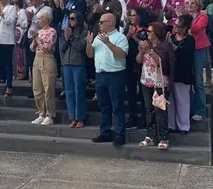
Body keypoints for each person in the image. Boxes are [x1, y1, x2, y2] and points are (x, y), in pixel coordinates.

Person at [87, 13, 129, 147]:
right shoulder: (99, 37)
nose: (99, 24)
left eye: (101, 22)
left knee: (117, 106)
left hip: (115, 75)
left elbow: (122, 55)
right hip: (100, 74)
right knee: (103, 106)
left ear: (110, 22)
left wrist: (108, 43)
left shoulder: (120, 37)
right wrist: (88, 43)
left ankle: (120, 134)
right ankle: (105, 132)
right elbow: (89, 54)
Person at [137, 22, 175, 150]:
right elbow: (138, 60)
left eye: (149, 31)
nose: (147, 34)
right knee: (149, 109)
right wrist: (142, 51)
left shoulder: (165, 46)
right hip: (146, 80)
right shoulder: (147, 44)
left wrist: (149, 50)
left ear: (157, 33)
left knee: (160, 109)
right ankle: (150, 135)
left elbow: (161, 62)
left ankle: (163, 137)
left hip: (159, 82)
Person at [168, 15, 195, 135]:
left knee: (182, 101)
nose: (175, 28)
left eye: (178, 26)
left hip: (183, 73)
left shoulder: (190, 39)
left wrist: (172, 47)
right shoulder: (172, 37)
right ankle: (171, 125)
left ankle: (184, 126)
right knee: (171, 101)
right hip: (171, 73)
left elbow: (185, 54)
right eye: (175, 25)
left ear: (185, 28)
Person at [60, 10, 87, 128]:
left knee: (78, 91)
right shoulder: (65, 31)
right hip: (66, 63)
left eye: (73, 19)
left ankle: (80, 117)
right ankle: (73, 117)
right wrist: (66, 38)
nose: (70, 21)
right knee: (69, 91)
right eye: (69, 19)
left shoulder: (84, 32)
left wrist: (71, 38)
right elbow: (61, 48)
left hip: (78, 64)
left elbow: (81, 46)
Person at [30, 10, 57, 125]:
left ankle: (49, 114)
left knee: (48, 88)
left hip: (47, 58)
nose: (39, 21)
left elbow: (47, 47)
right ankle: (41, 112)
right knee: (37, 88)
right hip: (37, 58)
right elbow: (31, 48)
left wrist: (37, 38)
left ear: (46, 19)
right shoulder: (39, 31)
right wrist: (34, 38)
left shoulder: (52, 31)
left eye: (40, 19)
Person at [185, 0, 210, 120]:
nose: (189, 5)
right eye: (187, 3)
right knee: (188, 79)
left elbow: (196, 28)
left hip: (198, 48)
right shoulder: (184, 16)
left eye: (192, 3)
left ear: (198, 5)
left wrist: (186, 22)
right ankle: (187, 109)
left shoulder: (202, 16)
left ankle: (200, 111)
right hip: (186, 48)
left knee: (198, 79)